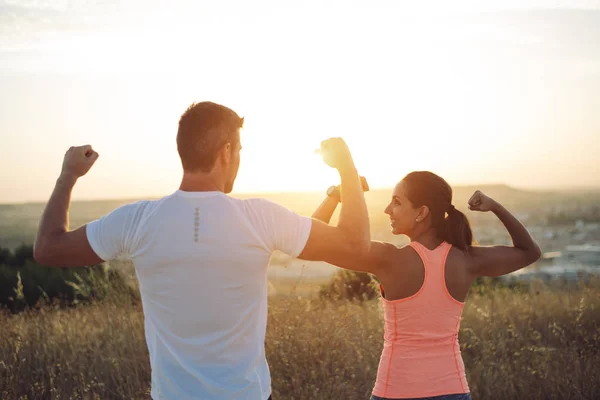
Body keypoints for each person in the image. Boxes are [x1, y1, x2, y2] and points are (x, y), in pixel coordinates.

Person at [33, 101, 371, 400]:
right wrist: (346, 166)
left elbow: (48, 249)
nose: (238, 159)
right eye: (238, 151)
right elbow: (355, 244)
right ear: (226, 152)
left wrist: (68, 175)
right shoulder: (260, 218)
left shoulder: (135, 221)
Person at [313, 171, 542, 400]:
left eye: (397, 202)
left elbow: (314, 240)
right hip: (453, 391)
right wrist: (495, 207)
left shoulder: (389, 260)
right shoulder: (467, 260)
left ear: (421, 213)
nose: (387, 210)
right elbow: (530, 252)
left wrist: (336, 197)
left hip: (395, 391)